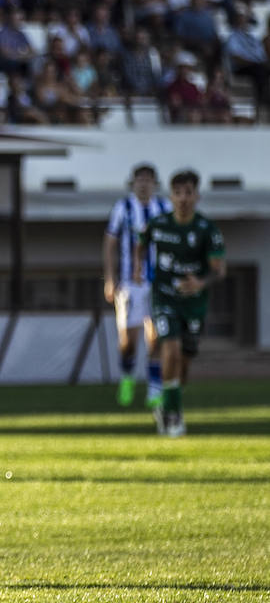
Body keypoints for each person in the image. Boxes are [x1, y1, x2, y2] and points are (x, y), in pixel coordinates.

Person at [139, 170, 226, 438]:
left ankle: (170, 402)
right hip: (164, 295)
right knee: (171, 347)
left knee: (185, 361)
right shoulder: (158, 225)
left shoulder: (207, 230)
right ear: (171, 196)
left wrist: (200, 282)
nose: (183, 198)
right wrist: (136, 270)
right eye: (178, 193)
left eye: (189, 192)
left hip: (194, 303)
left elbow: (218, 270)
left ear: (197, 196)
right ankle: (173, 416)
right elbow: (140, 244)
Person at [103, 163, 173, 410]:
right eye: (140, 179)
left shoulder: (164, 208)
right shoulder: (123, 208)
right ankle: (127, 376)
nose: (144, 184)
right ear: (133, 183)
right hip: (129, 283)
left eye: (149, 179)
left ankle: (154, 387)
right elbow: (110, 243)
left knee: (155, 337)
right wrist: (110, 278)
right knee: (128, 340)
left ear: (155, 183)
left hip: (157, 283)